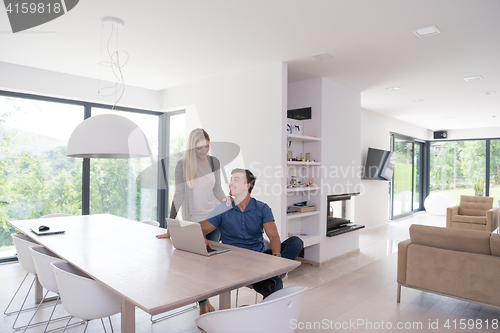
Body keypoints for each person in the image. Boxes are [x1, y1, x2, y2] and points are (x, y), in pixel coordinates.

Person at [200, 168, 304, 298]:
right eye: (230, 180)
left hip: (260, 259)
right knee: (275, 285)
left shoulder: (262, 208)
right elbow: (200, 229)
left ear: (247, 186)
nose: (231, 183)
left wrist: (277, 260)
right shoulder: (222, 209)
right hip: (235, 262)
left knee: (296, 242)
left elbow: (273, 236)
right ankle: (268, 280)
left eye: (236, 180)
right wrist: (203, 237)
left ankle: (270, 276)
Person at [156, 128, 228, 315]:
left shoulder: (214, 162)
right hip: (193, 222)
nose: (204, 151)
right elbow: (178, 195)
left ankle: (204, 301)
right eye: (199, 148)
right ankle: (203, 305)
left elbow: (218, 188)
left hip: (213, 220)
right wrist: (171, 224)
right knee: (197, 267)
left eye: (206, 146)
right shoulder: (182, 165)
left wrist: (224, 200)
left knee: (209, 266)